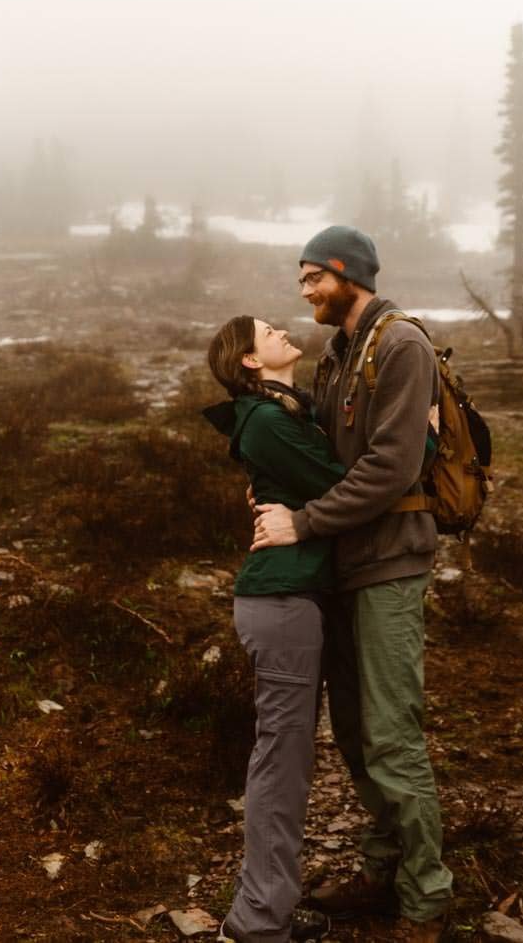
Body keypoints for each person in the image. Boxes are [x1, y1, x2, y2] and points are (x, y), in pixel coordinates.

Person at [250, 225, 453, 943]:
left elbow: (390, 469)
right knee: (357, 731)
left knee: (393, 733)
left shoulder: (401, 345)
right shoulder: (339, 354)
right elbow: (328, 458)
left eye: (315, 278)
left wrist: (303, 523)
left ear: (351, 274)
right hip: (346, 565)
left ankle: (425, 900)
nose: (305, 291)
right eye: (302, 279)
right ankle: (382, 864)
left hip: (391, 562)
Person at [203, 315, 340, 943]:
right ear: (250, 363)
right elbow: (354, 488)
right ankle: (258, 922)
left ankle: (269, 907)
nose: (283, 330)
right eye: (267, 332)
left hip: (290, 598)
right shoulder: (267, 421)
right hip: (280, 600)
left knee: (287, 759)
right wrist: (419, 443)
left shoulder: (285, 413)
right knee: (281, 762)